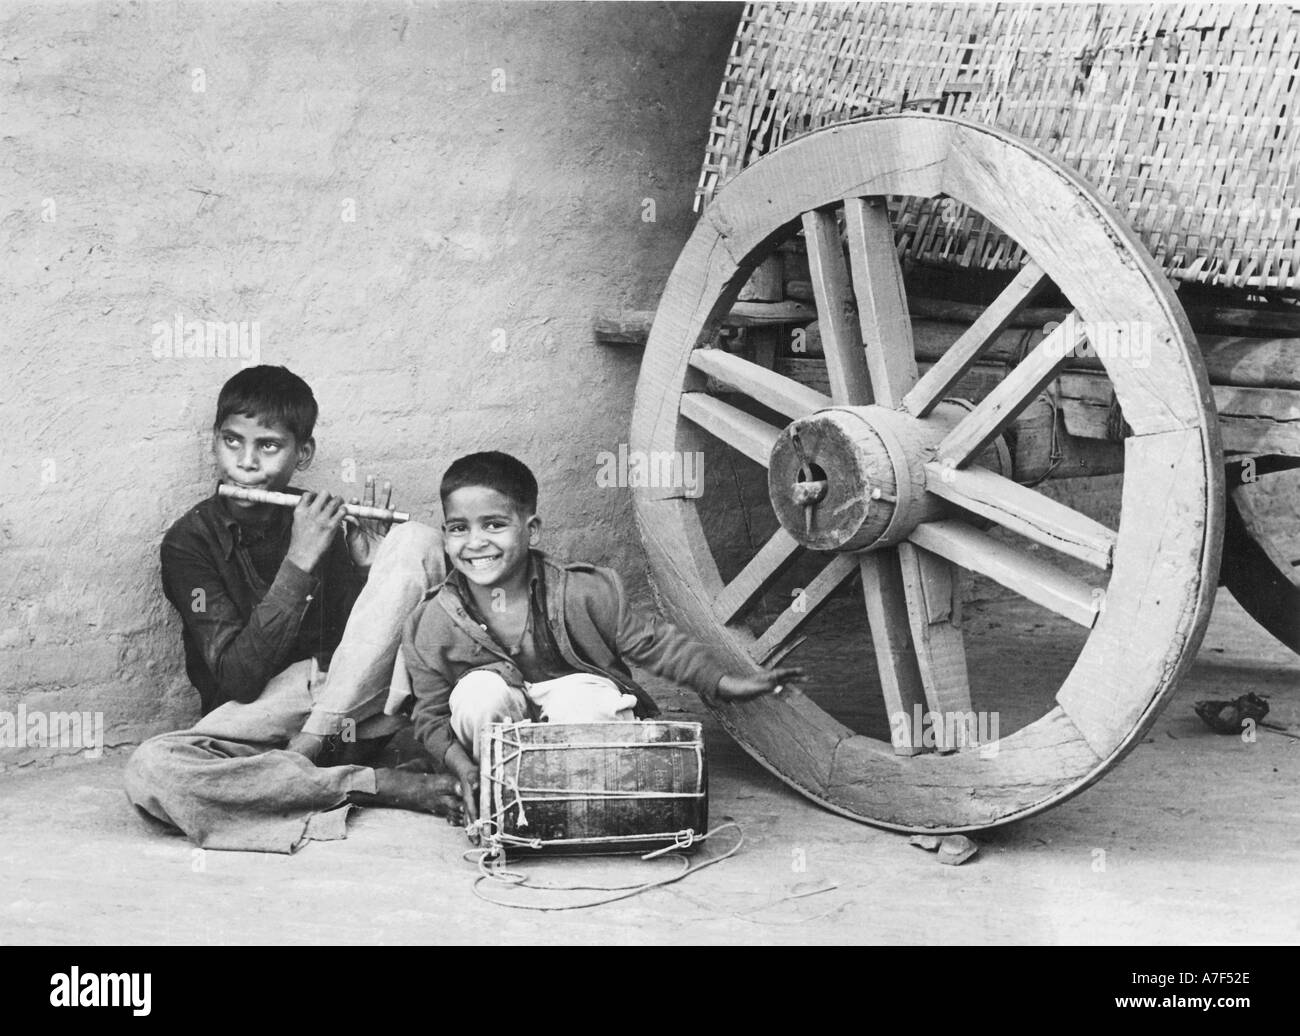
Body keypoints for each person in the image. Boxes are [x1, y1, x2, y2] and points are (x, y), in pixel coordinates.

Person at [124, 365, 461, 853]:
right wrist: (299, 562)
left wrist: (368, 570)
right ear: (214, 442)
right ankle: (371, 782)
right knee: (152, 768)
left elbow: (356, 653)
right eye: (232, 441)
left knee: (418, 540)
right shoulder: (188, 543)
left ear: (303, 454)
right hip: (261, 714)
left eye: (268, 446)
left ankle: (301, 763)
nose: (245, 461)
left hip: (344, 709)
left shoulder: (319, 516)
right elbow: (238, 680)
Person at [396, 451, 803, 835]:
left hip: (577, 716)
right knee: (478, 693)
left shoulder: (584, 590)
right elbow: (431, 717)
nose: (475, 542)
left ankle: (572, 794)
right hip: (499, 731)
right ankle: (506, 796)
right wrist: (461, 767)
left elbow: (653, 643)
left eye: (494, 525)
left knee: (585, 698)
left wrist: (722, 683)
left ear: (531, 529)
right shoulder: (430, 622)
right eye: (458, 528)